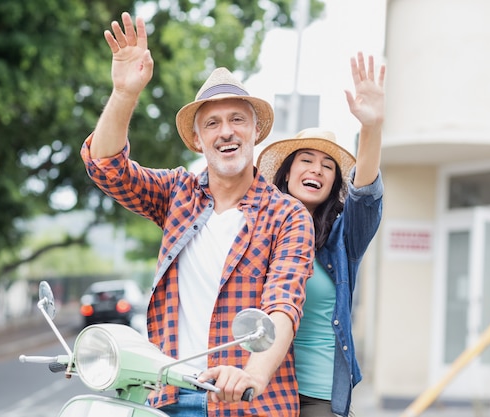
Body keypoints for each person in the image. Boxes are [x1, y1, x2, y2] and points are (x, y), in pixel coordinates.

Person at [80, 12, 314, 417]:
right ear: (197, 140)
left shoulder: (287, 214)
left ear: (255, 132)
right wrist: (124, 93)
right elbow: (107, 168)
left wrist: (252, 377)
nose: (226, 131)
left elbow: (283, 303)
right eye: (213, 124)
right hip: (169, 396)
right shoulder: (177, 194)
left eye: (237, 120)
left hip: (248, 404)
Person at [256, 52, 385, 417]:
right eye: (306, 160)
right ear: (287, 172)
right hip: (260, 388)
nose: (317, 169)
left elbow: (367, 195)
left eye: (328, 165)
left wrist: (372, 127)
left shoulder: (344, 238)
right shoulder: (259, 227)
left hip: (318, 396)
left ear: (333, 183)